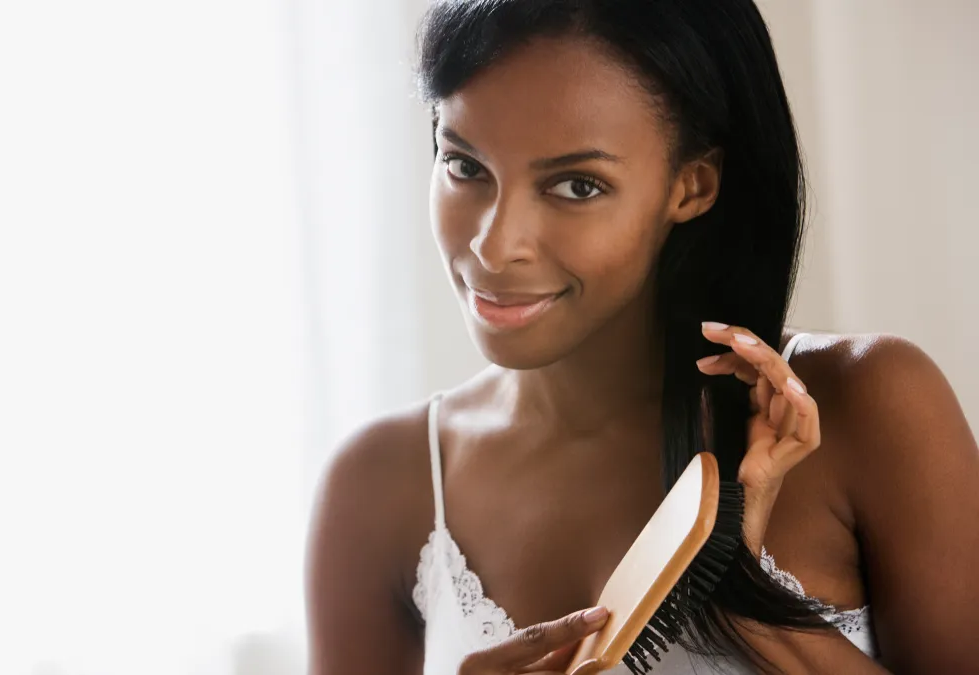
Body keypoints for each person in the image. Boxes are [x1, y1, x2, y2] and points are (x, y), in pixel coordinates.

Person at [305, 1, 979, 673]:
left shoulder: (870, 405)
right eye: (465, 166)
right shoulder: (379, 490)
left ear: (693, 186)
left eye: (575, 185)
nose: (493, 244)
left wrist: (736, 586)